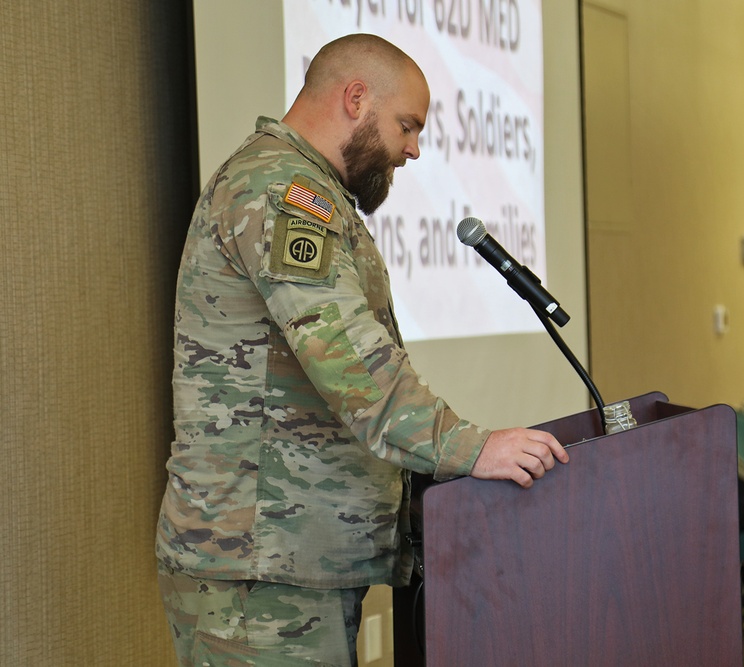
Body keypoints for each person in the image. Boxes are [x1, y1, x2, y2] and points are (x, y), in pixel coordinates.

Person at [155, 34, 568, 666]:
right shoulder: (281, 190)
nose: (414, 148)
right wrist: (471, 447)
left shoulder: (310, 193)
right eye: (407, 124)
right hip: (257, 568)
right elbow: (350, 359)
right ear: (356, 98)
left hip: (287, 558)